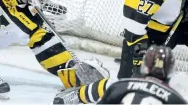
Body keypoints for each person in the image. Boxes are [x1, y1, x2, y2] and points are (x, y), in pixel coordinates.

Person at [53, 45, 187, 104]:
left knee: (109, 85)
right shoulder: (176, 99)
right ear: (171, 70)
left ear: (145, 65)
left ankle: (76, 96)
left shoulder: (121, 85)